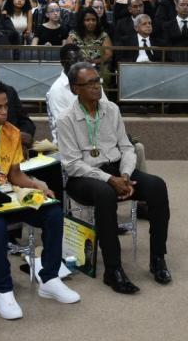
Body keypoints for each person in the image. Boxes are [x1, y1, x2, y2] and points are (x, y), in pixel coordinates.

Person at [0, 77, 80, 319]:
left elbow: (16, 174)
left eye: (6, 106)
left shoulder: (11, 133)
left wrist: (37, 185)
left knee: (53, 212)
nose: (4, 111)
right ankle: (3, 290)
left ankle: (49, 279)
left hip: (9, 197)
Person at [57, 62, 172, 293]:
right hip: (84, 178)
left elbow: (127, 147)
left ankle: (158, 258)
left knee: (157, 186)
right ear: (74, 89)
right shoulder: (66, 120)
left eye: (97, 81)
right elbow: (72, 164)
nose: (96, 87)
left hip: (118, 170)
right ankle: (113, 269)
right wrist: (110, 180)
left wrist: (126, 175)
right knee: (105, 193)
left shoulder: (112, 110)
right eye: (88, 83)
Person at [67, 8, 113, 83]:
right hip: (78, 66)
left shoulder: (103, 35)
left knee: (104, 74)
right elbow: (68, 52)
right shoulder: (73, 36)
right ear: (82, 21)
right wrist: (81, 62)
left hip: (98, 66)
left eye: (93, 20)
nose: (91, 22)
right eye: (87, 20)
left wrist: (94, 61)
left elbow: (108, 54)